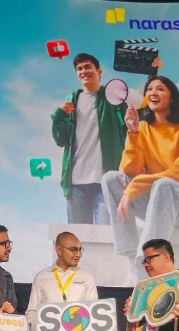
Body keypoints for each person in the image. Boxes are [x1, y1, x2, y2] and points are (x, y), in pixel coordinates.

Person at [100, 75, 179, 283]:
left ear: (172, 98)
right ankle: (131, 257)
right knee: (110, 179)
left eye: (160, 89)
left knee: (164, 184)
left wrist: (135, 186)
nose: (153, 92)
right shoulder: (142, 129)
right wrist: (133, 133)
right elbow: (128, 171)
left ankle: (146, 264)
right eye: (149, 89)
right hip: (164, 200)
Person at [51, 53, 129, 225]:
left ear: (99, 71)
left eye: (88, 67)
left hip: (106, 181)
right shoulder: (71, 100)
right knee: (78, 238)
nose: (83, 71)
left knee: (106, 235)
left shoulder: (112, 97)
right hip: (75, 183)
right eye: (79, 69)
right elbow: (60, 140)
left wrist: (152, 74)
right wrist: (58, 116)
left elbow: (136, 116)